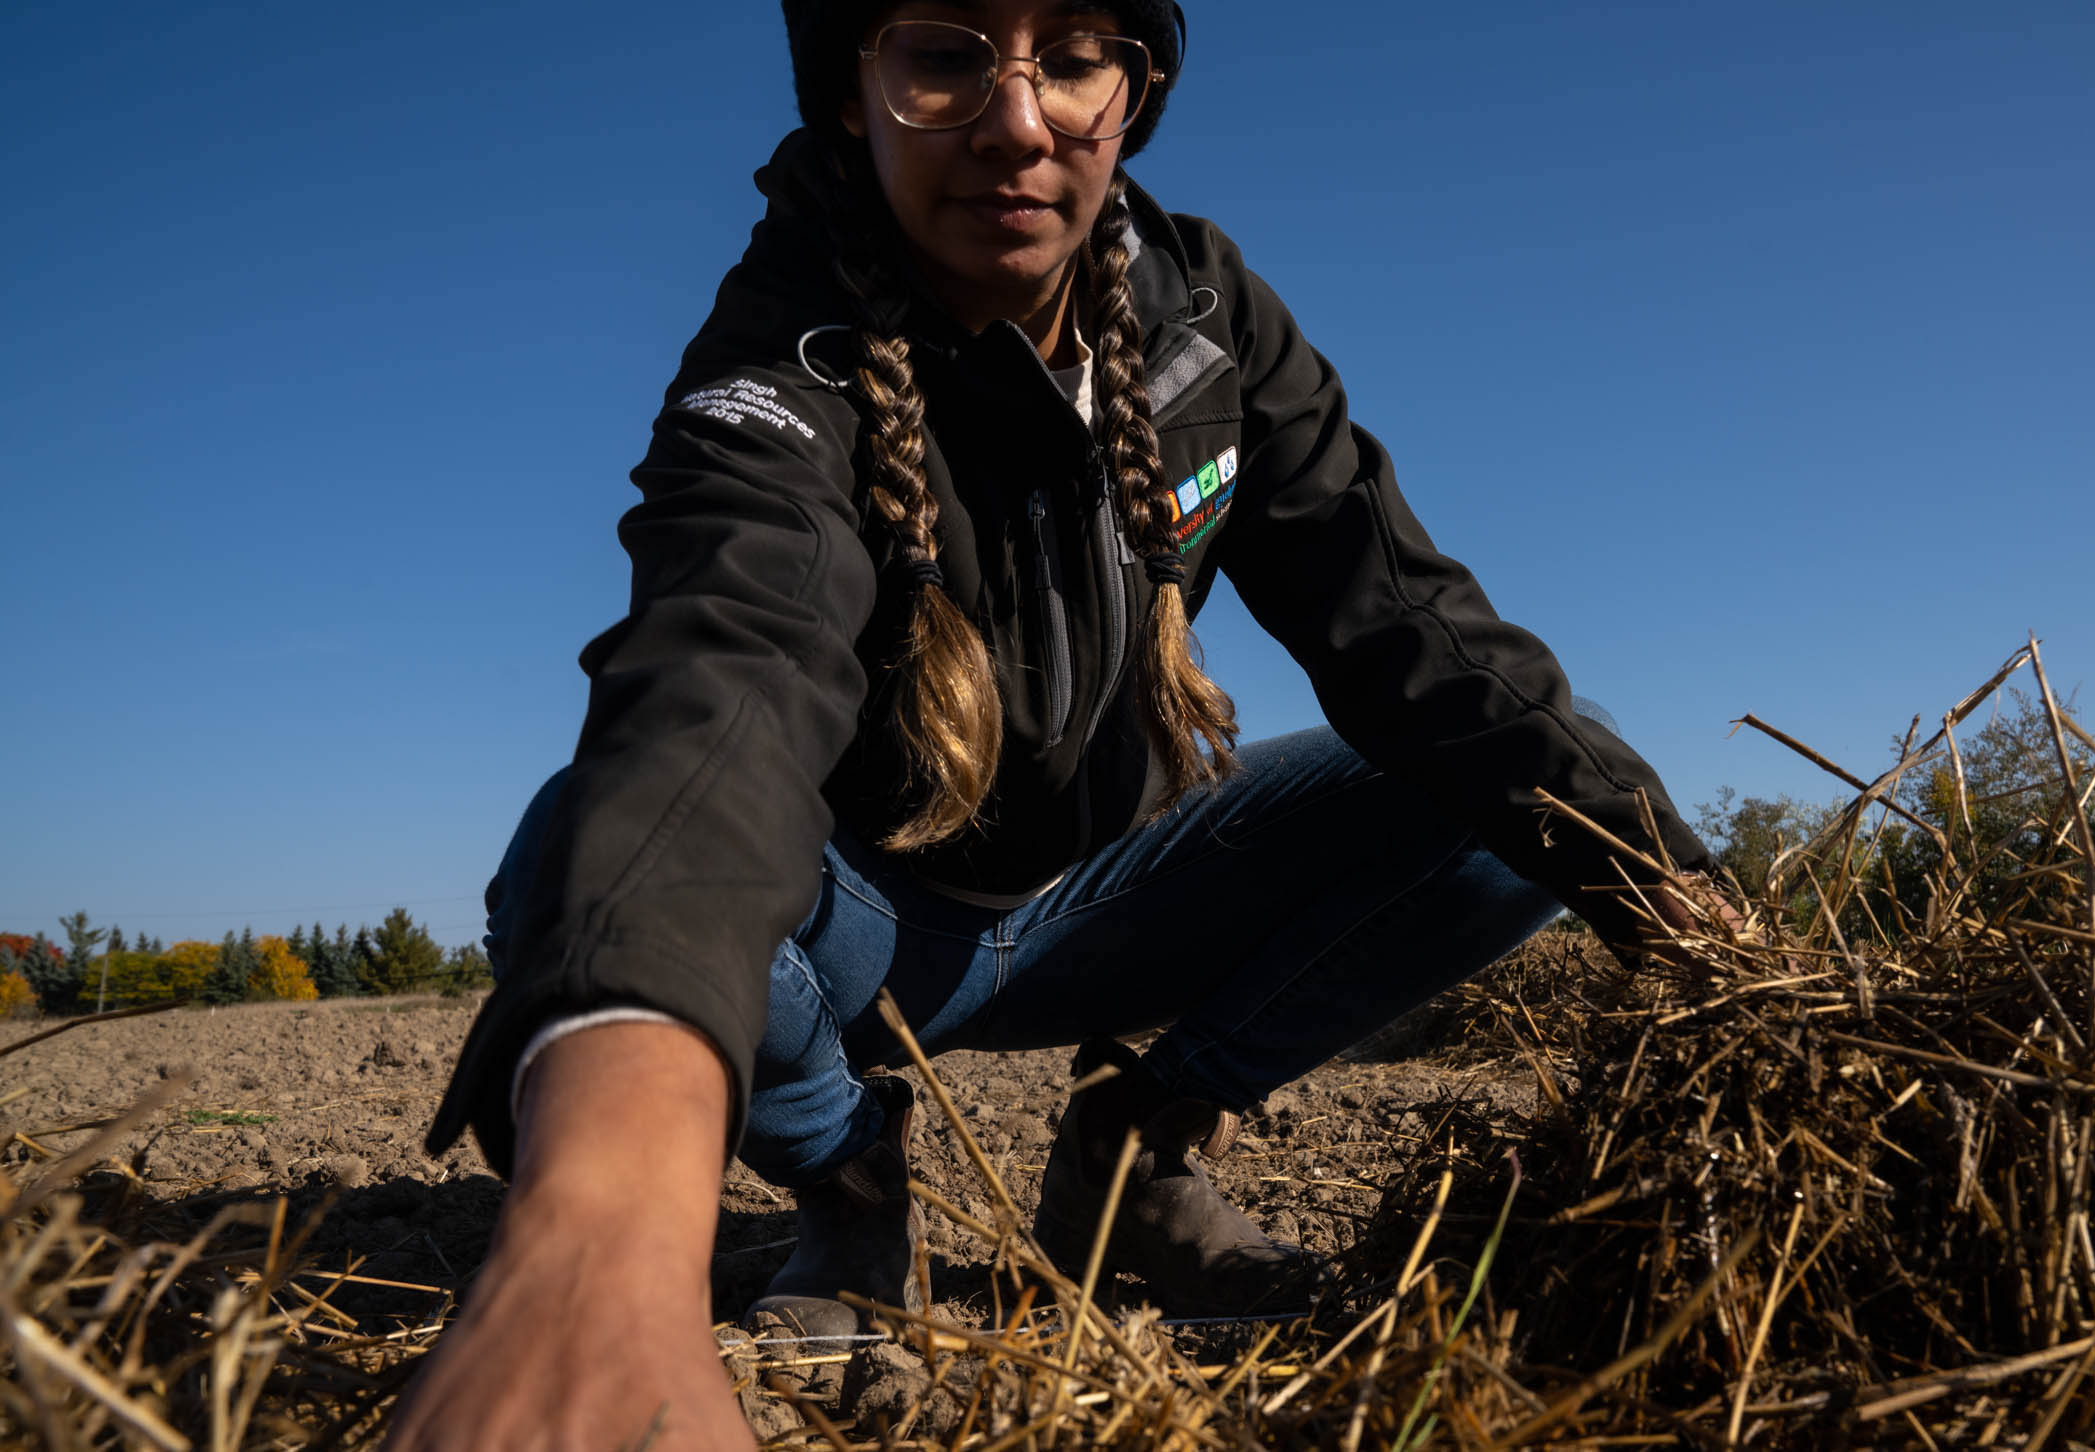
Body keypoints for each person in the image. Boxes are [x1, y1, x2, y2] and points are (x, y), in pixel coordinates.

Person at [387, 3, 1733, 1446]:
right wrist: (595, 1234)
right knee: (572, 849)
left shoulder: (1208, 321)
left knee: (1519, 803)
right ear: (851, 91)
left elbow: (1409, 629)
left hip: (1112, 899)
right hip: (860, 927)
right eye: (943, 53)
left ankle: (1134, 1153)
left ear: (1129, 94)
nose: (1018, 123)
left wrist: (1725, 951)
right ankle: (851, 1181)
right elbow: (722, 687)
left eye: (1075, 55)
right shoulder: (783, 349)